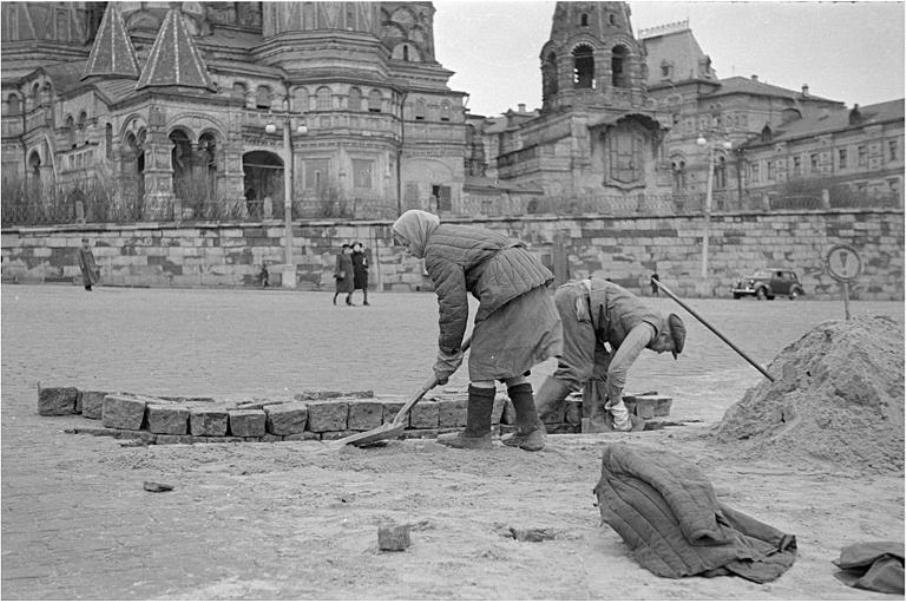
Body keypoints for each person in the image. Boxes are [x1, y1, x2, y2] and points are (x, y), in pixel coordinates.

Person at [391, 209, 562, 451]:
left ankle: (477, 434)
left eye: (406, 243)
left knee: (483, 362)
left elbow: (453, 307)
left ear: (417, 233)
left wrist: (447, 353)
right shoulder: (450, 233)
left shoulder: (436, 250)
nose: (407, 250)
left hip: (508, 289)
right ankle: (530, 432)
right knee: (508, 361)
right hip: (528, 280)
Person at [512, 278, 685, 441]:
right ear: (665, 336)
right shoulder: (647, 329)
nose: (661, 352)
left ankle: (594, 424)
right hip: (577, 302)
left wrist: (613, 397)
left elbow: (611, 367)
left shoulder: (642, 319)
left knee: (599, 367)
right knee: (575, 369)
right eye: (666, 349)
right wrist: (618, 407)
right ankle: (530, 423)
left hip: (581, 306)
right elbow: (618, 370)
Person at [350, 241, 370, 306]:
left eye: (358, 246)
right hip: (355, 273)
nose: (357, 247)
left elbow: (367, 264)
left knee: (365, 287)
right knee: (352, 287)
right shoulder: (352, 255)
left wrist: (365, 264)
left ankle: (365, 300)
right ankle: (349, 300)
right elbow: (350, 264)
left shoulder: (363, 255)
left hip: (362, 273)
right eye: (355, 246)